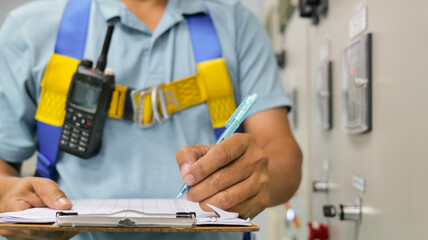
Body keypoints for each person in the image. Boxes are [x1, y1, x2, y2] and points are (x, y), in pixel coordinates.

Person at [0, 0, 302, 239]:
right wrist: (6, 193)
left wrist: (258, 177)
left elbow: (280, 150)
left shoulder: (237, 24)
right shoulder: (28, 30)